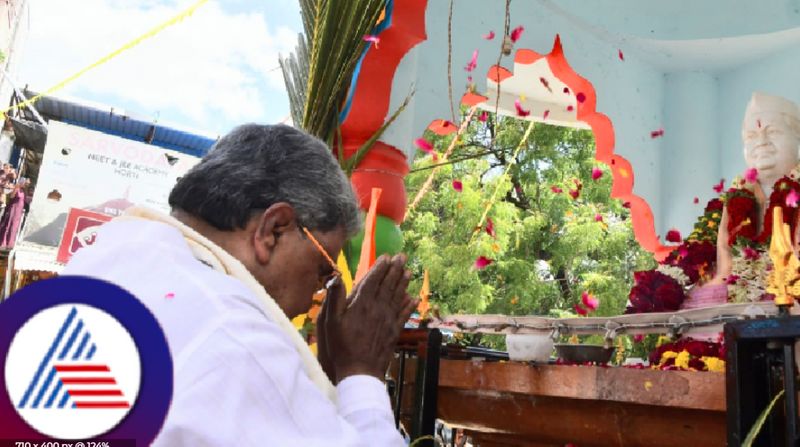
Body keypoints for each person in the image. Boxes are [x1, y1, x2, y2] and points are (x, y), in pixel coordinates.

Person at [63, 124, 416, 446]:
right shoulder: (232, 333)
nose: (316, 296)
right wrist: (361, 372)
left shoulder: (110, 257)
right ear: (273, 229)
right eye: (323, 271)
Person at [0, 177, 27, 248]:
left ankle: (10, 243)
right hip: (13, 209)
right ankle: (3, 242)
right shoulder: (16, 188)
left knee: (14, 226)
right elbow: (12, 196)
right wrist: (15, 189)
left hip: (18, 211)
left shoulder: (23, 191)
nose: (24, 184)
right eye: (23, 183)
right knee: (8, 224)